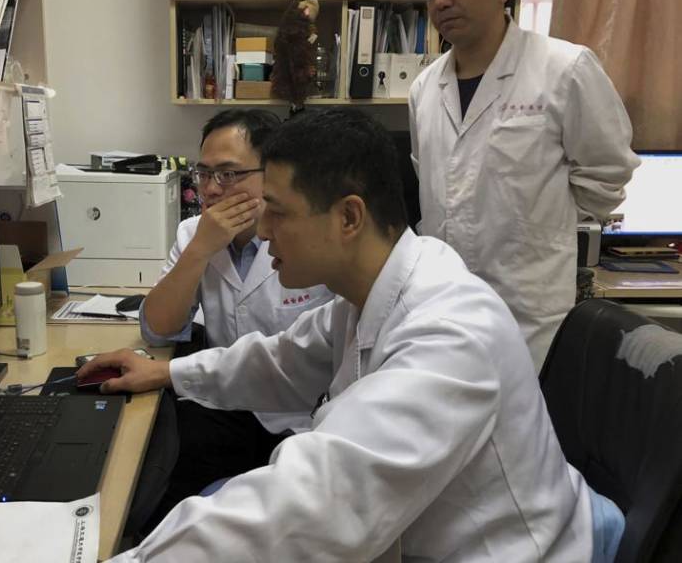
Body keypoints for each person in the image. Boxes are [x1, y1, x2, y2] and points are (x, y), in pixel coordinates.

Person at [80, 109, 595, 562]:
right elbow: (280, 360)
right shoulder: (369, 293)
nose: (262, 232)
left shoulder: (448, 333)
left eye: (278, 213)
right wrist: (168, 371)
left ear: (349, 217)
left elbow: (316, 502)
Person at [409, 0, 639, 370]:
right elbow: (431, 186)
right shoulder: (424, 90)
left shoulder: (564, 70)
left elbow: (608, 173)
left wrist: (542, 229)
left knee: (528, 425)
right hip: (444, 315)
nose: (441, 0)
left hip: (531, 319)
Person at [137, 109, 334, 526]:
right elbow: (158, 329)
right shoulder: (195, 234)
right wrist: (199, 250)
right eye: (203, 174)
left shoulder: (308, 236)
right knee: (155, 494)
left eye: (228, 174)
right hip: (223, 406)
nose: (210, 190)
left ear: (273, 173)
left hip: (301, 419)